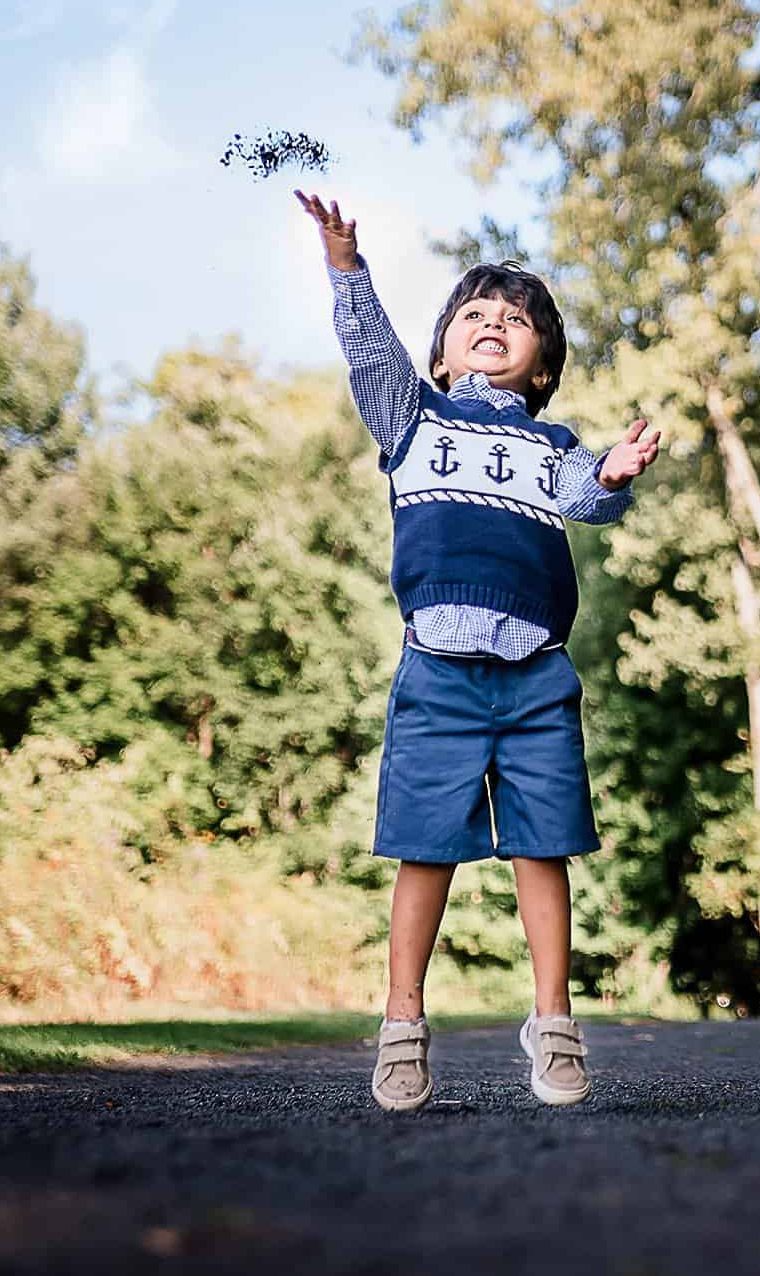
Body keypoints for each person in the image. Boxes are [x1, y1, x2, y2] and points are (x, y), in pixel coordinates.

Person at [296, 191, 661, 1112]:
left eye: (516, 319)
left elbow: (589, 493)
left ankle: (554, 1021)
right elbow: (371, 352)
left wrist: (613, 474)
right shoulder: (411, 419)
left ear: (542, 363)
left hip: (537, 675)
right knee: (428, 849)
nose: (495, 324)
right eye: (475, 315)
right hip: (440, 674)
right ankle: (403, 1024)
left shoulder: (551, 445)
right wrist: (347, 265)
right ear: (444, 347)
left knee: (546, 849)